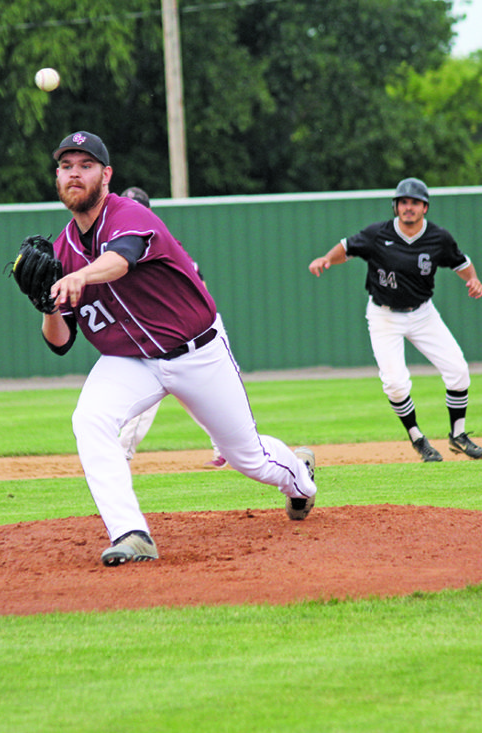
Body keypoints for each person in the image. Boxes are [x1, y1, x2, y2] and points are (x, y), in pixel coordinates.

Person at [34, 131, 316, 566]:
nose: (75, 173)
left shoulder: (128, 214)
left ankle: (299, 478)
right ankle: (131, 533)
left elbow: (121, 258)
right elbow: (61, 342)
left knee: (247, 458)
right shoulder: (61, 250)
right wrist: (48, 306)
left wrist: (80, 277)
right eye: (66, 166)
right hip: (129, 360)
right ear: (57, 176)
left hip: (196, 352)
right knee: (89, 420)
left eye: (85, 165)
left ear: (105, 175)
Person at [307, 177, 482, 463]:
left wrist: (474, 280)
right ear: (396, 206)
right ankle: (418, 438)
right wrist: (326, 259)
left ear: (425, 207)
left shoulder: (438, 238)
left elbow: (460, 263)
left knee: (458, 370)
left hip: (422, 313)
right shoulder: (378, 234)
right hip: (384, 316)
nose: (408, 207)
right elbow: (347, 247)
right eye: (403, 202)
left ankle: (458, 436)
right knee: (395, 384)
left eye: (415, 202)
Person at [115, 186, 226, 468]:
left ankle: (118, 456)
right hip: (154, 332)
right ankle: (225, 447)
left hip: (177, 333)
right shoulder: (120, 242)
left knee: (185, 396)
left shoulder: (159, 241)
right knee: (188, 396)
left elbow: (199, 285)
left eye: (137, 207)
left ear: (148, 211)